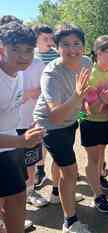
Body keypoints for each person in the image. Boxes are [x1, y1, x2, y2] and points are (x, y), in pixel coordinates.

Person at [32, 23, 92, 233]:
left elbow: (83, 92)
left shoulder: (86, 62)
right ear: (57, 48)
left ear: (84, 46)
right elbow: (55, 116)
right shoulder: (51, 73)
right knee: (70, 171)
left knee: (61, 164)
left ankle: (58, 194)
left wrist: (83, 109)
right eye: (65, 44)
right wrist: (77, 97)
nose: (72, 49)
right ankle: (70, 222)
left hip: (70, 120)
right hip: (51, 124)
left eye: (77, 43)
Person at [0, 21, 45, 233]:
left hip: (12, 148)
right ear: (2, 48)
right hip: (7, 147)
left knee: (18, 198)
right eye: (15, 49)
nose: (23, 56)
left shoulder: (17, 72)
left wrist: (28, 128)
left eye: (28, 50)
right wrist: (21, 140)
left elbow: (12, 111)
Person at [80, 35, 108, 213]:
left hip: (107, 121)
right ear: (98, 53)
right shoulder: (90, 75)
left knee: (102, 153)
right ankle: (97, 195)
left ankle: (98, 178)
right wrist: (103, 100)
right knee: (94, 158)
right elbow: (90, 110)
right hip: (90, 122)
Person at [17, 57, 49, 209]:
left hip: (31, 121)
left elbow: (46, 89)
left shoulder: (38, 63)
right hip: (7, 126)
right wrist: (28, 94)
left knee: (31, 160)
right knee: (10, 164)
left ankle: (30, 192)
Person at [32, 24, 60, 188]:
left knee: (54, 141)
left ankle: (57, 171)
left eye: (51, 38)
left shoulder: (56, 56)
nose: (50, 42)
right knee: (38, 141)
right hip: (35, 107)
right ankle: (39, 170)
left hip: (55, 105)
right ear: (36, 39)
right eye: (45, 39)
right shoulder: (31, 56)